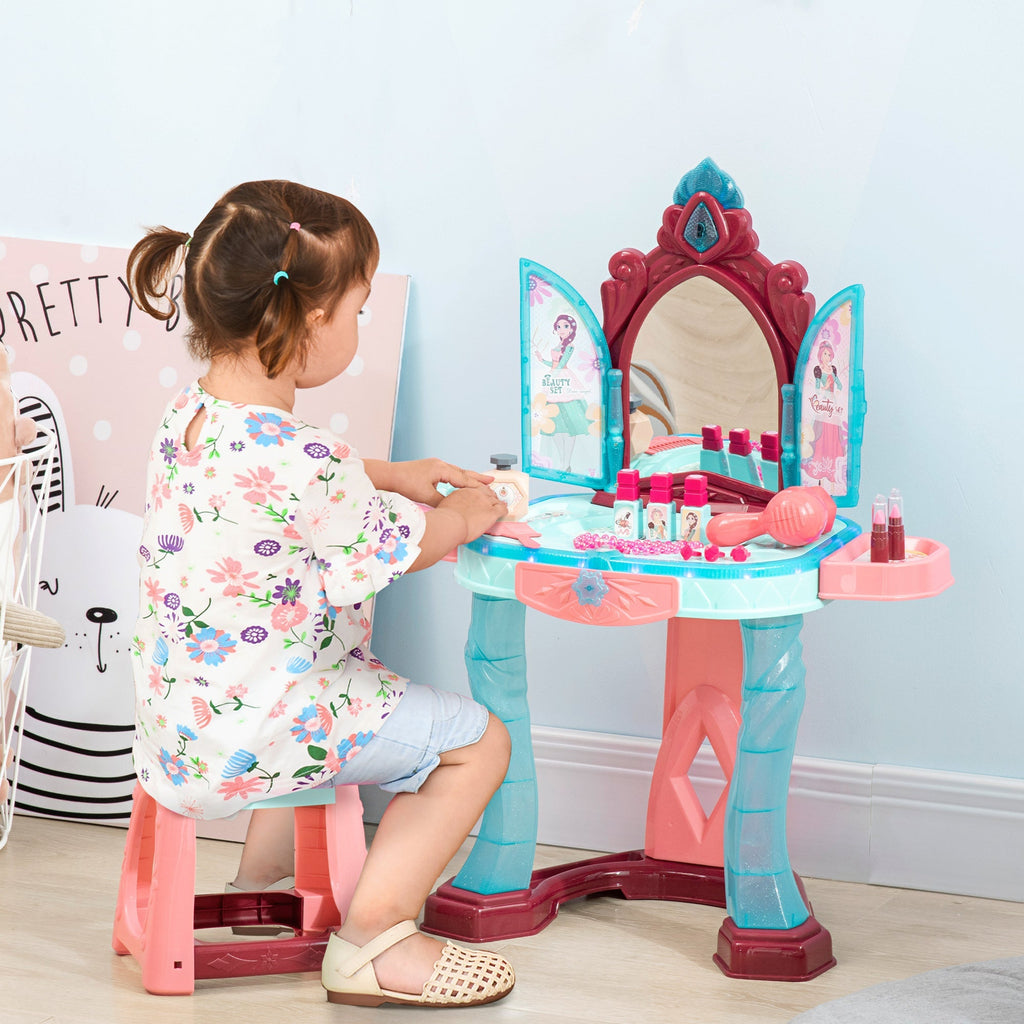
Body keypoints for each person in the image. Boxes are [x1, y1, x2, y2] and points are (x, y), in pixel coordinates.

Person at [126, 180, 515, 1008]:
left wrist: (391, 474)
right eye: (356, 310)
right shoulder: (314, 464)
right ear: (307, 321)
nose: (359, 326)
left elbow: (276, 474)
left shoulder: (187, 416)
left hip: (178, 730)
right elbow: (397, 549)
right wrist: (469, 514)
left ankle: (261, 881)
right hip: (263, 727)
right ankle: (374, 936)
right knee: (480, 743)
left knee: (301, 694)